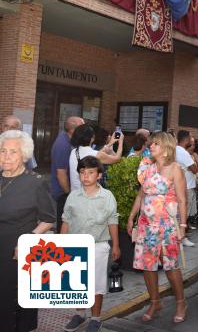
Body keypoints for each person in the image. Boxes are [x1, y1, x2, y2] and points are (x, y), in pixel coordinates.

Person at [127, 132, 188, 323]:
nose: (150, 146)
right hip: (146, 225)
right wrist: (131, 218)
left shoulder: (175, 169)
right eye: (151, 143)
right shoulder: (147, 167)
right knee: (147, 266)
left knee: (171, 266)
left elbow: (182, 199)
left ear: (166, 147)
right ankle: (155, 301)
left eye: (155, 144)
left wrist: (183, 225)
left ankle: (180, 302)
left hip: (167, 226)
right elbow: (141, 195)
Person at [0, 130, 55, 332]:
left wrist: (27, 241)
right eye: (2, 151)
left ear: (23, 155)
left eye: (13, 152)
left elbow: (49, 219)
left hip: (17, 253)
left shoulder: (35, 182)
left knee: (12, 304)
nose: (6, 156)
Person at [61, 156, 120, 332]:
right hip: (75, 245)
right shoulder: (73, 196)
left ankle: (95, 318)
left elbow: (112, 221)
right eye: (82, 172)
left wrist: (116, 245)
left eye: (91, 172)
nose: (86, 176)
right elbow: (66, 221)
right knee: (77, 282)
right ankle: (80, 314)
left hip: (98, 246)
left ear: (99, 175)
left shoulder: (107, 196)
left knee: (96, 284)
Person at [50, 116, 84, 232]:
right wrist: (68, 193)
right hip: (62, 192)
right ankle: (61, 247)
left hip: (64, 191)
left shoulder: (68, 139)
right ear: (73, 130)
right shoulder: (63, 145)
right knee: (63, 225)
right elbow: (61, 173)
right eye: (82, 127)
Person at [69, 124, 123, 190]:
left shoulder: (73, 152)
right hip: (87, 196)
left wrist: (110, 144)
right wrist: (120, 142)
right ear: (92, 138)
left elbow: (94, 156)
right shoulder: (96, 155)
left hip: (74, 194)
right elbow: (117, 159)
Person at [176, 130, 198, 247]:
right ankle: (182, 237)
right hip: (186, 187)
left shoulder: (178, 150)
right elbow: (195, 168)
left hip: (184, 185)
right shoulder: (182, 152)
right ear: (185, 140)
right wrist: (193, 166)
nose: (191, 140)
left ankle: (181, 236)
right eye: (190, 138)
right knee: (184, 213)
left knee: (182, 212)